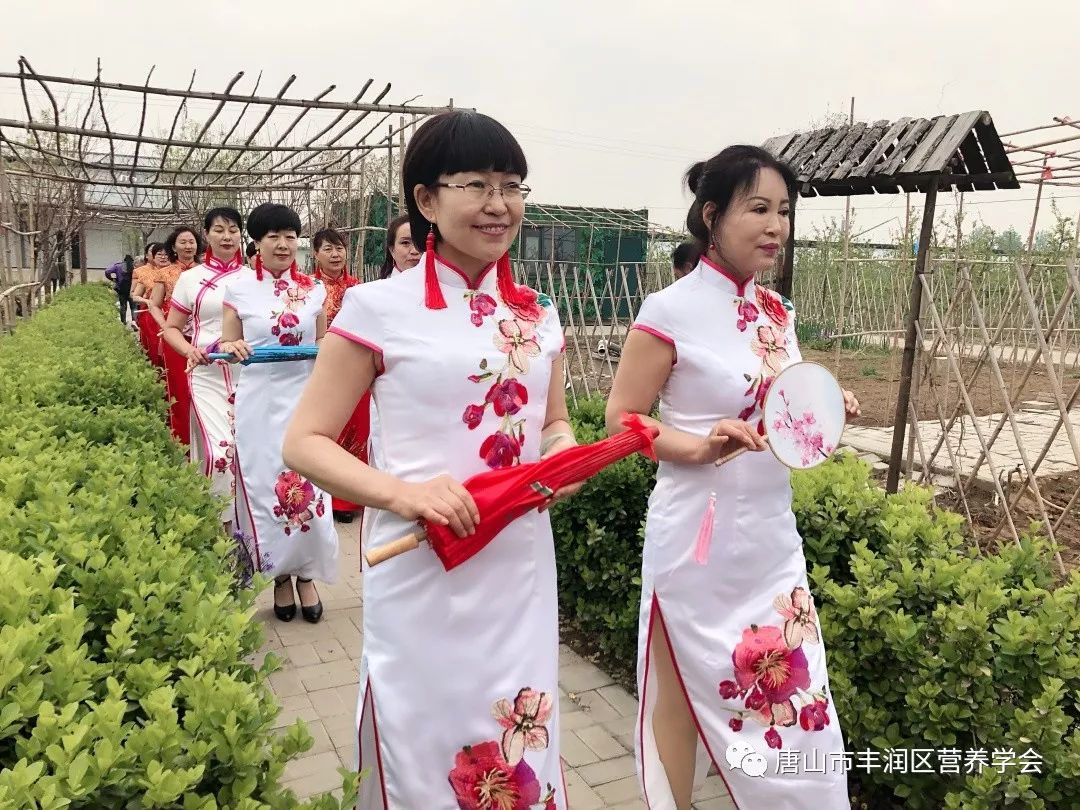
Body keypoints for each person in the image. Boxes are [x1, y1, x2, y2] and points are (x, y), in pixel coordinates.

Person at [282, 111, 579, 808]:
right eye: (475, 184)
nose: (499, 203)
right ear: (425, 201)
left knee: (517, 740)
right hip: (419, 565)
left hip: (518, 568)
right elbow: (305, 442)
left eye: (513, 185)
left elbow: (556, 422)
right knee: (422, 748)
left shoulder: (540, 315)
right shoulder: (375, 307)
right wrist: (404, 494)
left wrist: (560, 460)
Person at [605, 145, 860, 810]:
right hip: (695, 535)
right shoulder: (668, 310)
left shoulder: (779, 315)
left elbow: (785, 416)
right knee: (682, 686)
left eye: (783, 211)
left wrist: (826, 408)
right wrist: (700, 446)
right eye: (758, 208)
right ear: (712, 215)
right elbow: (622, 420)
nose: (776, 225)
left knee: (795, 691)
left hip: (770, 537)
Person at [218, 203, 337, 623]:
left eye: (290, 235)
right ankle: (279, 576)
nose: (283, 244)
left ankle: (307, 575)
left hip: (306, 401)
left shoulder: (315, 290)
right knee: (267, 487)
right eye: (273, 236)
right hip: (259, 403)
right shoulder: (236, 289)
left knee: (311, 486)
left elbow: (324, 344)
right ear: (257, 242)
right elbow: (226, 346)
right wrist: (230, 348)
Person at [164, 208, 246, 527]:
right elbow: (172, 328)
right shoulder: (190, 278)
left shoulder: (256, 278)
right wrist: (190, 351)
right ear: (207, 235)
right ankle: (218, 526)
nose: (227, 236)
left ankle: (246, 525)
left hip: (247, 374)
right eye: (219, 230)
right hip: (207, 376)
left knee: (246, 453)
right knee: (219, 452)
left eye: (234, 230)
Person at [310, 227, 367, 524]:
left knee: (356, 429)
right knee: (326, 430)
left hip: (357, 368)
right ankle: (325, 495)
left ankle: (351, 497)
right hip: (320, 366)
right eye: (328, 249)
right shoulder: (307, 289)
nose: (335, 254)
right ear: (316, 254)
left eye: (340, 248)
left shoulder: (359, 289)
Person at [150, 226, 202, 445]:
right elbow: (153, 304)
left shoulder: (205, 272)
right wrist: (165, 326)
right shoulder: (165, 273)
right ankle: (182, 440)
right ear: (173, 246)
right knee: (179, 389)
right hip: (177, 338)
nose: (188, 246)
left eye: (191, 241)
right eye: (183, 242)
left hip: (203, 338)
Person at [132, 244, 171, 367]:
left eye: (166, 254)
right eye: (159, 254)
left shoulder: (177, 272)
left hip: (173, 313)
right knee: (155, 345)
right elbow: (134, 295)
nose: (163, 257)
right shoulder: (144, 274)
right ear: (152, 257)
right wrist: (148, 302)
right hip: (152, 315)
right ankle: (159, 372)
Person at [379, 214, 420, 278]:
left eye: (421, 243)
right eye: (405, 243)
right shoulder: (379, 287)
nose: (414, 251)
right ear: (392, 250)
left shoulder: (441, 286)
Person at [105, 254, 137, 324]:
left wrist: (113, 279)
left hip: (121, 289)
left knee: (123, 306)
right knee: (134, 307)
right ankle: (135, 322)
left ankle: (123, 323)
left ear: (124, 260)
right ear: (132, 260)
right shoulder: (135, 267)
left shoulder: (118, 266)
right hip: (133, 289)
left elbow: (107, 271)